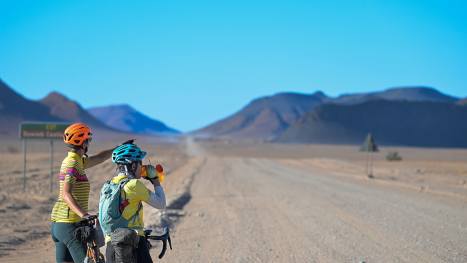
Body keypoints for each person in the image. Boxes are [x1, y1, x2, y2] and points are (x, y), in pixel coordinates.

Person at [50, 122, 118, 263]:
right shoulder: (72, 163)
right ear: (83, 142)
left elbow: (98, 158)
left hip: (60, 225)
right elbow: (66, 193)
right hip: (70, 225)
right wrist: (84, 215)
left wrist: (118, 148)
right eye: (88, 140)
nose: (89, 143)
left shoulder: (77, 160)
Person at [99, 142, 166, 263]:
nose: (142, 166)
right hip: (133, 245)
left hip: (111, 247)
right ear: (133, 165)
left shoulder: (108, 186)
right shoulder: (134, 185)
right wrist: (155, 180)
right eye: (140, 162)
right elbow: (161, 204)